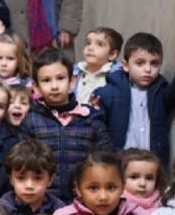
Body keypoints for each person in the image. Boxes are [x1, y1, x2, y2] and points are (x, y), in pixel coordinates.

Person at [21, 49, 112, 199]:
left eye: (60, 78)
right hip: (43, 202)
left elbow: (106, 160)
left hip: (83, 203)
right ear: (36, 87)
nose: (54, 86)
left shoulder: (90, 118)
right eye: (46, 80)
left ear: (72, 82)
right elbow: (23, 164)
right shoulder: (31, 121)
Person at [93, 32, 175, 166]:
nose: (148, 69)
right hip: (119, 162)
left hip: (152, 162)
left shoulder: (160, 91)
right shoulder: (109, 93)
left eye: (154, 63)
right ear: (126, 66)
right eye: (140, 63)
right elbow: (98, 127)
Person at [0, 139, 65, 215]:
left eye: (37, 178)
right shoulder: (1, 212)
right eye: (21, 178)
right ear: (11, 179)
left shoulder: (60, 212)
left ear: (50, 179)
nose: (29, 185)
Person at [73, 27, 123, 105]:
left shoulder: (117, 76)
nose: (90, 48)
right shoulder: (75, 71)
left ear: (112, 54)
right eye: (88, 43)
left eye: (99, 44)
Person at [121, 148, 164, 213]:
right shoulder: (114, 207)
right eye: (134, 177)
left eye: (149, 178)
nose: (142, 184)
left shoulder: (164, 206)